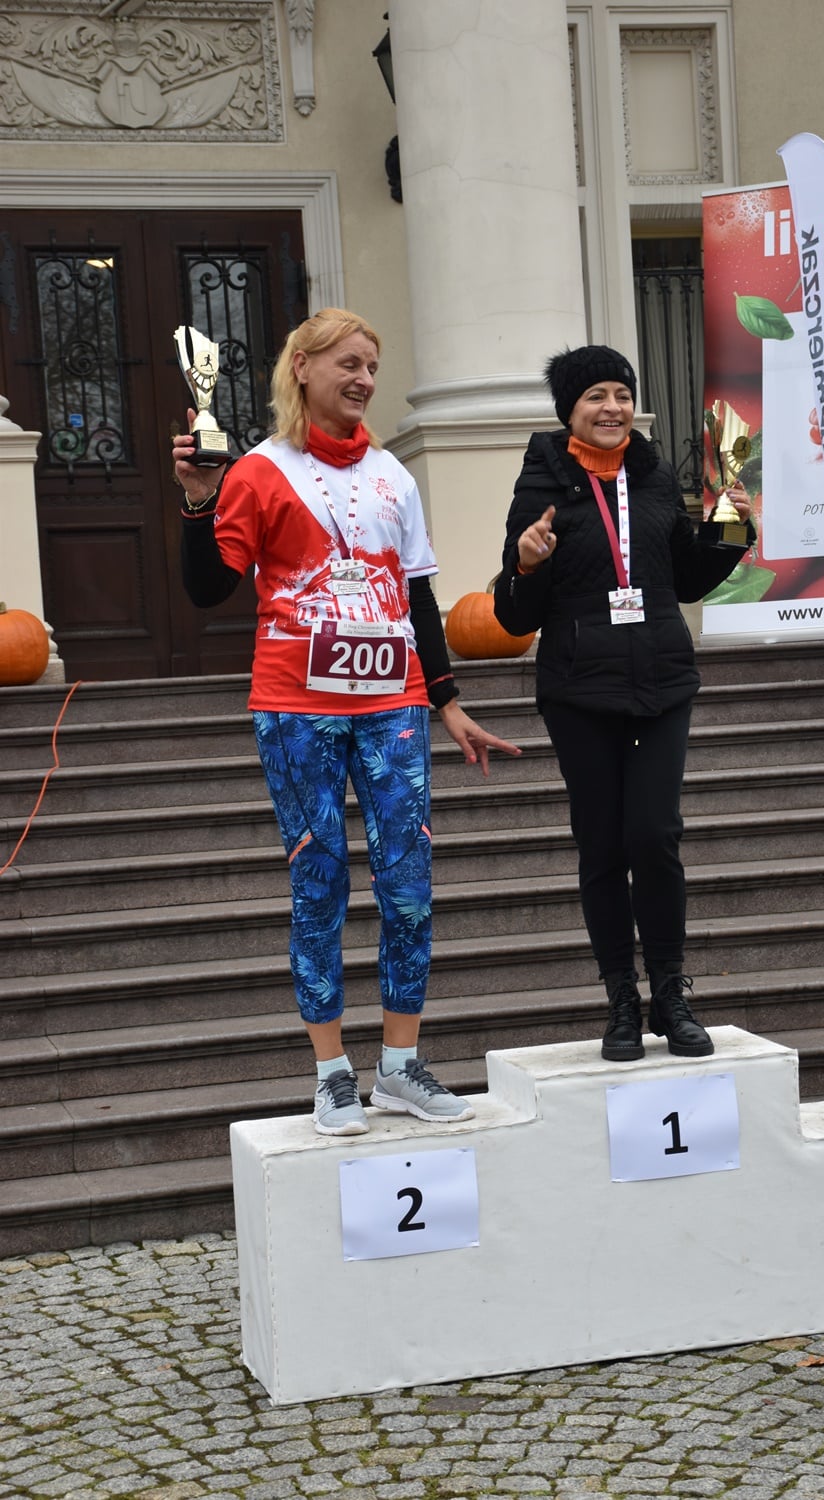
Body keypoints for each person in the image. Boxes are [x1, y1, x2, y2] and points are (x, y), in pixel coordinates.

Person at [172, 307, 520, 1136]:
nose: (364, 379)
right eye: (349, 364)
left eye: (371, 367)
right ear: (302, 366)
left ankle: (399, 1065)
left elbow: (419, 596)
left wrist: (446, 700)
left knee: (409, 882)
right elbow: (208, 591)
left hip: (393, 702)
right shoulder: (259, 471)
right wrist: (197, 501)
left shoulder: (394, 475)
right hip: (297, 706)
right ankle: (332, 1074)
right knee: (319, 880)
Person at [494, 345, 753, 1063]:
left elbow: (688, 580)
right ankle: (621, 999)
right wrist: (526, 565)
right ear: (569, 410)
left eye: (621, 395)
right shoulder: (541, 482)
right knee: (603, 845)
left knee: (655, 835)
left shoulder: (655, 476)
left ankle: (671, 992)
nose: (612, 408)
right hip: (580, 689)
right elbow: (514, 616)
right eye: (596, 397)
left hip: (663, 679)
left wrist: (732, 522)